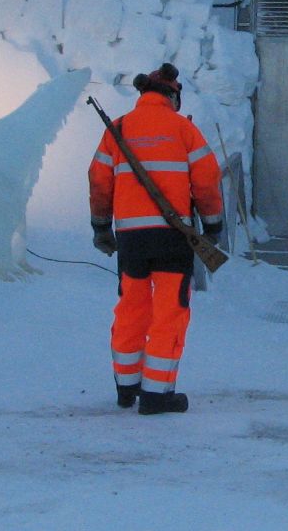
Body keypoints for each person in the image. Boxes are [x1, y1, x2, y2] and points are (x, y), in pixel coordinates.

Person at [87, 63, 225, 413]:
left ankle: (127, 386)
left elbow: (99, 179)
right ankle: (157, 394)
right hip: (172, 238)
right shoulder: (183, 129)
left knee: (131, 306)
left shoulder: (117, 129)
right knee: (170, 311)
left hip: (131, 239)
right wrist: (212, 226)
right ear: (173, 95)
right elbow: (207, 178)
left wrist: (101, 226)